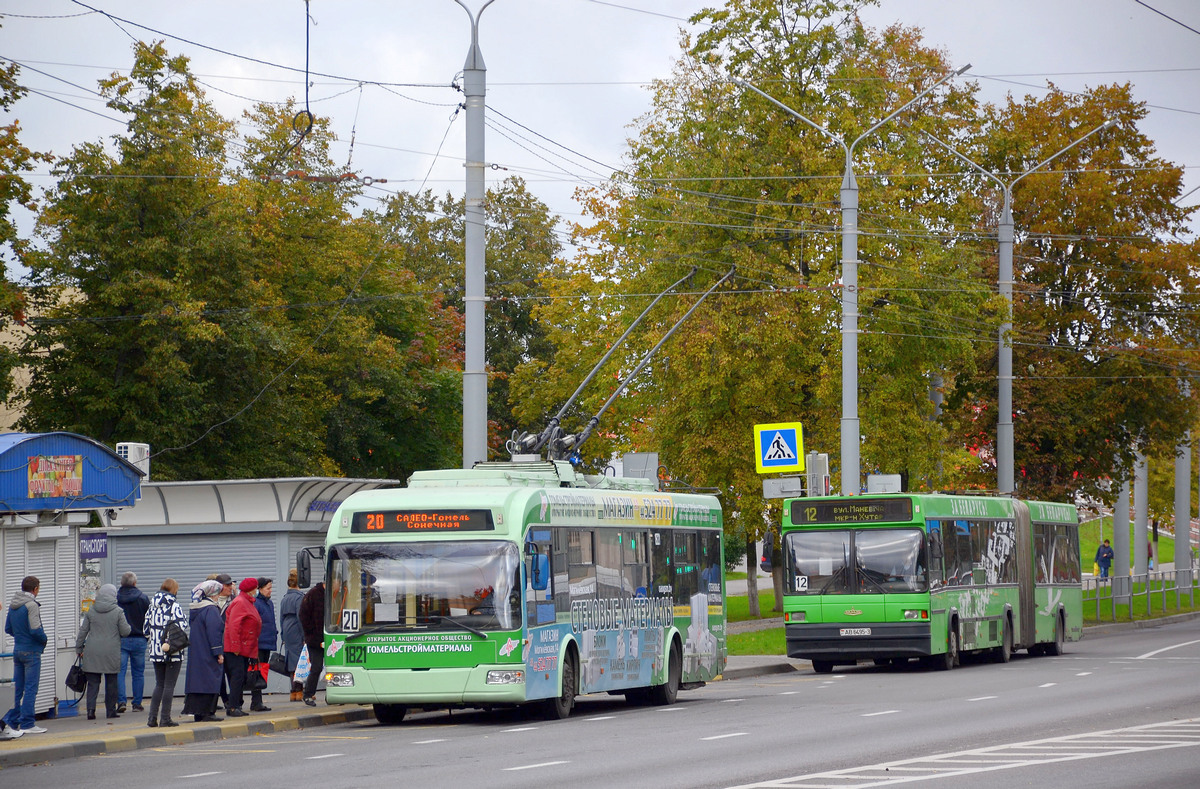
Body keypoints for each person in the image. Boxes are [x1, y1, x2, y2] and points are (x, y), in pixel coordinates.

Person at [76, 583, 131, 720]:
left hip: (92, 650)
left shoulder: (91, 610)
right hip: (111, 651)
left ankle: (90, 711)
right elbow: (125, 632)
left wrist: (79, 648)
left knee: (93, 683)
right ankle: (110, 711)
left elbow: (83, 631)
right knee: (111, 682)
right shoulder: (118, 611)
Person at [3, 575, 48, 735]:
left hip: (17, 650)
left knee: (18, 688)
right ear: (35, 589)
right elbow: (36, 629)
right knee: (31, 688)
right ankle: (28, 723)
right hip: (31, 651)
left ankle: (11, 721)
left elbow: (8, 628)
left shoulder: (13, 605)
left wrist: (20, 636)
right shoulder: (32, 605)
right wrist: (44, 639)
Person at [181, 580, 225, 722]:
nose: (218, 596)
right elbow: (214, 632)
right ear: (212, 594)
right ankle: (207, 712)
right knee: (211, 678)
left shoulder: (196, 608)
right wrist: (218, 652)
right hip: (208, 651)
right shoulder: (211, 609)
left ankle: (198, 712)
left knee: (198, 679)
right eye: (217, 594)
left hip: (197, 651)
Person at [145, 578, 186, 727]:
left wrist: (156, 640)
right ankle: (165, 718)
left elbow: (145, 630)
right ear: (174, 590)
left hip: (156, 651)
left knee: (159, 684)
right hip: (172, 651)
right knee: (169, 686)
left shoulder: (152, 606)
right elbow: (182, 625)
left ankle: (151, 718)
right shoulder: (174, 606)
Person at [223, 578, 262, 717]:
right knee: (237, 677)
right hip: (237, 649)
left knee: (241, 677)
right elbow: (234, 626)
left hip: (245, 647)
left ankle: (236, 704)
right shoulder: (241, 603)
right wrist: (235, 646)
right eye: (256, 588)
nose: (257, 590)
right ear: (251, 589)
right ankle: (233, 707)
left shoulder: (247, 602)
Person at [116, 571, 150, 713]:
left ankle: (121, 701)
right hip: (139, 639)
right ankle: (137, 704)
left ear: (122, 583)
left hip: (121, 639)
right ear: (135, 583)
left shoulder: (116, 598)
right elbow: (149, 618)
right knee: (138, 673)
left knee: (120, 672)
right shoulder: (143, 598)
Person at [279, 569, 305, 702]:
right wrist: (304, 636)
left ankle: (293, 691)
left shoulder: (285, 598)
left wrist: (283, 635)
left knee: (291, 661)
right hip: (296, 629)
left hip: (287, 631)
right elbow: (301, 618)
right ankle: (299, 690)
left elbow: (281, 619)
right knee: (300, 662)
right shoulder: (299, 597)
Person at [298, 581, 325, 707]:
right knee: (317, 667)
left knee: (335, 667)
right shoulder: (313, 594)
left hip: (331, 638)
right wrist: (310, 634)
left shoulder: (334, 594)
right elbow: (303, 615)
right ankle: (308, 694)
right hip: (315, 640)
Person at [252, 576, 276, 712]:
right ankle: (256, 701)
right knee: (257, 672)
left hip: (267, 642)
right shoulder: (257, 604)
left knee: (262, 671)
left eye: (271, 588)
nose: (270, 591)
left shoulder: (269, 603)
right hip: (259, 643)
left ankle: (257, 701)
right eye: (268, 588)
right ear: (259, 589)